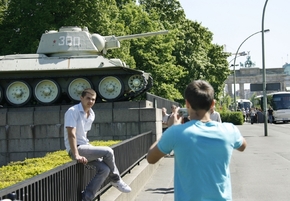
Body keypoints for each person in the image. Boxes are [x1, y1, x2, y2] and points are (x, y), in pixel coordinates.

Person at [146, 80, 247, 201]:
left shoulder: (176, 133)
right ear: (212, 104)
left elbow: (151, 158)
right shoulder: (230, 130)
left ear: (187, 103)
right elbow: (242, 146)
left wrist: (171, 129)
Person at [64, 88, 131, 201]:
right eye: (88, 98)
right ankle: (116, 179)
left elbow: (84, 135)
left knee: (105, 170)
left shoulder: (91, 114)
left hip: (85, 147)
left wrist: (91, 150)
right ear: (81, 98)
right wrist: (76, 155)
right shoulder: (72, 111)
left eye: (93, 99)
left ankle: (86, 198)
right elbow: (71, 135)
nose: (90, 101)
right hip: (76, 149)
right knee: (108, 151)